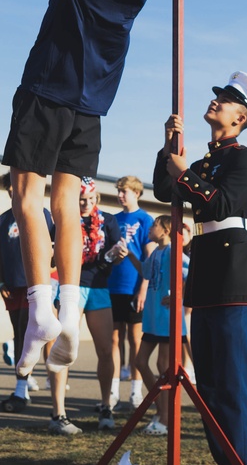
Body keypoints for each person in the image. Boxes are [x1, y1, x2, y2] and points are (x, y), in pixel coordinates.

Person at [0, 0, 160, 382]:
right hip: (91, 109)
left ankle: (40, 309)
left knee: (25, 196)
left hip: (47, 93)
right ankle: (68, 309)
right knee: (65, 204)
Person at [153, 71, 247, 465]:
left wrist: (183, 173)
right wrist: (168, 147)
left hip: (233, 277)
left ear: (240, 118)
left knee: (231, 384)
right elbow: (164, 190)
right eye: (217, 96)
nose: (215, 101)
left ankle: (238, 461)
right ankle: (224, 458)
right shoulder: (204, 161)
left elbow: (221, 205)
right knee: (209, 385)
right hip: (205, 276)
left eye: (227, 100)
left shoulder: (245, 157)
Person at [47, 178, 123, 435]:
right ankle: (58, 413)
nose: (86, 204)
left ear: (97, 199)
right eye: (81, 199)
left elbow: (113, 253)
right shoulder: (63, 219)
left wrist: (115, 254)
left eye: (91, 199)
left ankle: (106, 405)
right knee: (64, 346)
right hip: (71, 286)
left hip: (99, 288)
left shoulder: (108, 221)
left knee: (106, 348)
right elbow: (51, 254)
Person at [120, 214, 190, 436]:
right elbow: (146, 271)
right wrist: (130, 255)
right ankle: (161, 409)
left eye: (155, 225)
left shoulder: (175, 252)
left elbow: (191, 274)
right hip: (153, 319)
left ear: (166, 230)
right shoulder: (156, 252)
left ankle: (166, 419)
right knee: (140, 362)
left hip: (168, 319)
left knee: (163, 366)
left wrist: (180, 295)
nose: (150, 228)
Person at [0, 172, 54, 412]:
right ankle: (24, 381)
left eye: (15, 185)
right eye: (9, 186)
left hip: (33, 286)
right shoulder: (4, 219)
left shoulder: (42, 214)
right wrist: (0, 282)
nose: (12, 190)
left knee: (28, 334)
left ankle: (21, 388)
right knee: (18, 334)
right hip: (11, 286)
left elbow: (52, 249)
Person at [109, 175, 155, 409]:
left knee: (135, 340)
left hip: (135, 287)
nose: (120, 195)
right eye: (118, 191)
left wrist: (143, 289)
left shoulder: (146, 220)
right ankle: (113, 391)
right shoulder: (114, 220)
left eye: (124, 191)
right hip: (113, 285)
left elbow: (150, 257)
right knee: (113, 339)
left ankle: (136, 392)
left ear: (136, 193)